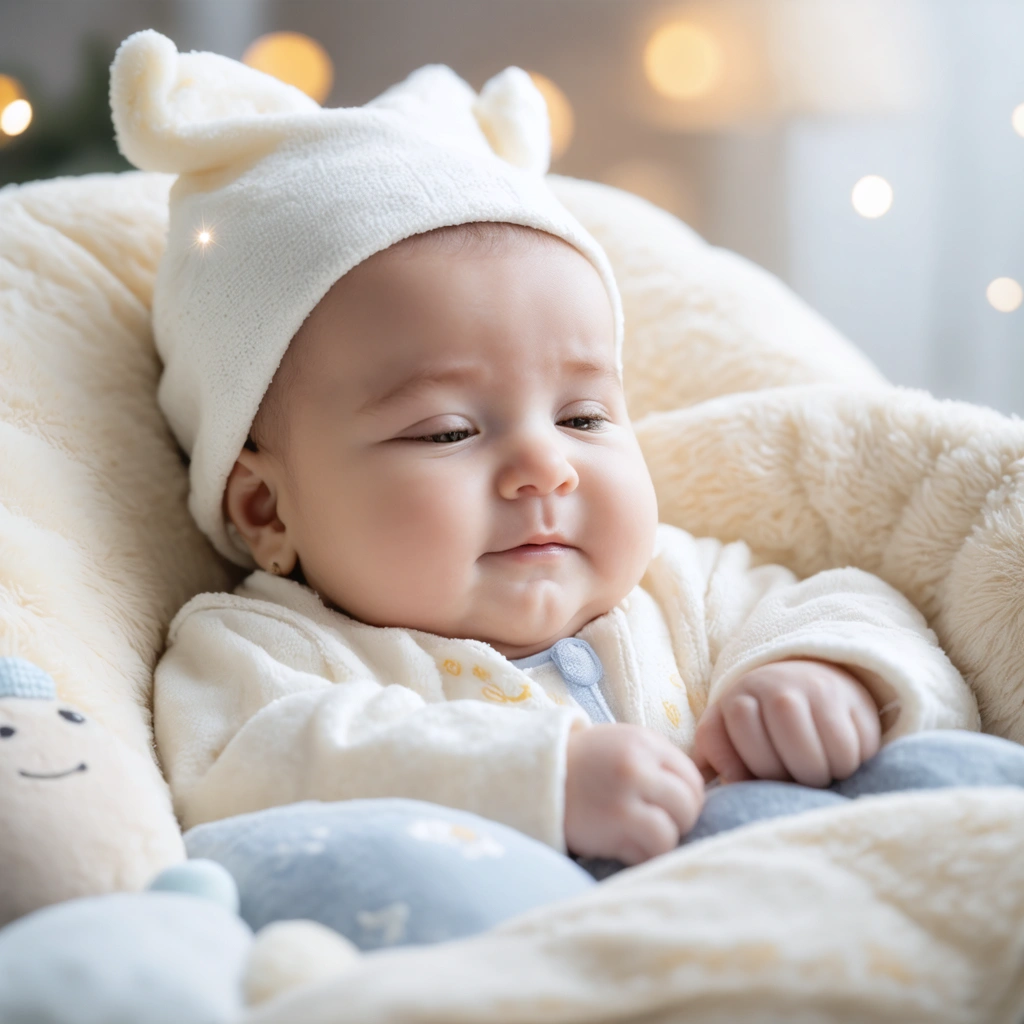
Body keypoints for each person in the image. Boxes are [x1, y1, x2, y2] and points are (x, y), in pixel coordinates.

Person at [110, 31, 984, 887]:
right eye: (449, 431)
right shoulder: (268, 651)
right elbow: (238, 771)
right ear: (268, 511)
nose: (546, 468)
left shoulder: (681, 592)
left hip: (786, 906)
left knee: (956, 784)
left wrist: (822, 677)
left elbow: (855, 603)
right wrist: (540, 779)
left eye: (584, 416)